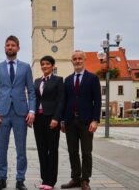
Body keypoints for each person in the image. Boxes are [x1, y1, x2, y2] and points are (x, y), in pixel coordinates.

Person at [0, 35, 36, 190]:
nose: (10, 47)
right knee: (1, 148)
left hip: (20, 113)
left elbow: (31, 91)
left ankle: (20, 179)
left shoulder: (25, 67)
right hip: (2, 114)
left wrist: (32, 110)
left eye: (12, 45)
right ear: (5, 48)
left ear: (18, 48)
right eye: (7, 45)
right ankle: (2, 179)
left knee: (21, 148)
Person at [60, 50, 101, 190]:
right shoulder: (68, 80)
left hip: (86, 121)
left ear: (84, 60)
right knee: (72, 151)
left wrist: (95, 120)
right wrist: (63, 121)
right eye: (75, 59)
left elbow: (98, 101)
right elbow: (65, 102)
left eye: (80, 58)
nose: (77, 61)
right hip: (70, 121)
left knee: (86, 152)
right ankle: (75, 178)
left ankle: (85, 180)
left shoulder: (93, 78)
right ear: (72, 61)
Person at [33, 56, 64, 190]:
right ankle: (44, 178)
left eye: (47, 64)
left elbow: (61, 101)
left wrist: (56, 118)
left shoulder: (58, 80)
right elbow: (34, 99)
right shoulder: (37, 81)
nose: (44, 66)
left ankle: (51, 180)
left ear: (52, 66)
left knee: (52, 149)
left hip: (51, 118)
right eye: (43, 64)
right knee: (41, 149)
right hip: (38, 119)